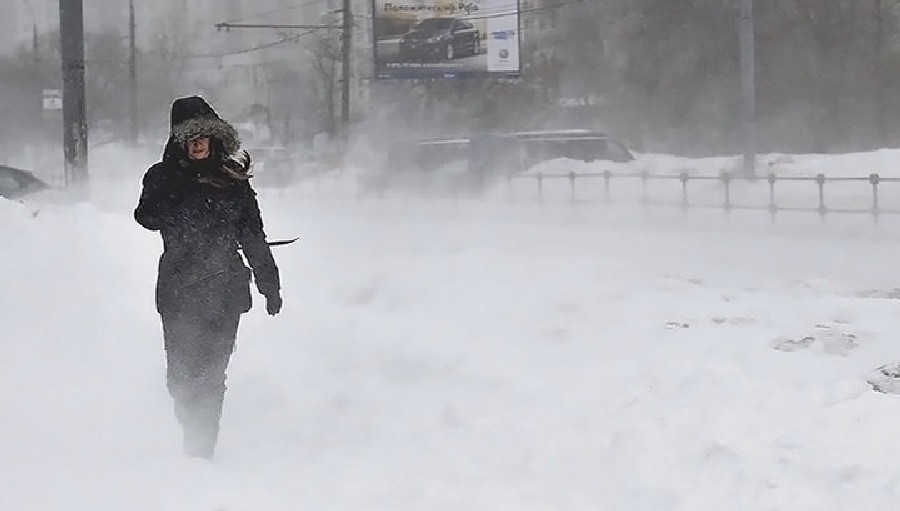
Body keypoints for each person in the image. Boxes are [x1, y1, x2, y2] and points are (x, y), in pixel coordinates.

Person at [134, 96, 282, 459]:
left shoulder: (232, 179)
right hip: (179, 289)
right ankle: (191, 431)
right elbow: (146, 217)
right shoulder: (161, 176)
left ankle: (201, 450)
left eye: (204, 136)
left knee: (211, 375)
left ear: (215, 138)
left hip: (224, 288)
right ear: (179, 141)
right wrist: (181, 187)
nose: (198, 143)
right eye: (190, 137)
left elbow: (252, 234)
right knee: (181, 378)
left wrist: (269, 282)